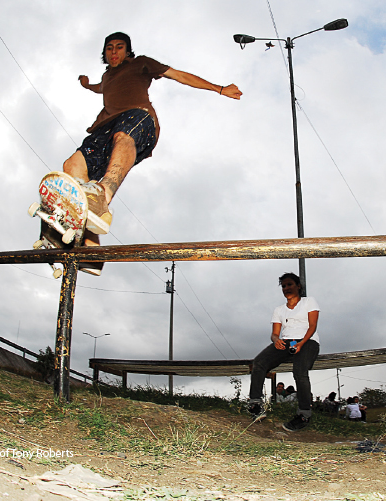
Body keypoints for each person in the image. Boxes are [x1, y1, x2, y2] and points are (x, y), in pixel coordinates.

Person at [63, 32, 242, 276]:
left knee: (123, 137)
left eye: (119, 47)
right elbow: (99, 88)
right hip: (104, 127)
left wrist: (219, 88)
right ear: (105, 54)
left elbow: (178, 75)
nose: (114, 52)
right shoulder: (106, 77)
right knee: (72, 166)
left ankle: (103, 195)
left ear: (128, 51)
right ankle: (91, 252)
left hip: (139, 118)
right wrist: (86, 84)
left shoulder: (141, 63)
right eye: (109, 49)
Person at [248, 272, 320, 432]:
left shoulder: (309, 302)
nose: (286, 288)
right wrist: (276, 341)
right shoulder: (279, 310)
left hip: (307, 340)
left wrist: (301, 343)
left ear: (298, 286)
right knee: (259, 362)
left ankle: (304, 415)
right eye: (284, 286)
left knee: (300, 371)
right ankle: (255, 405)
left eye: (290, 284)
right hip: (287, 342)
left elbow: (313, 326)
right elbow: (274, 333)